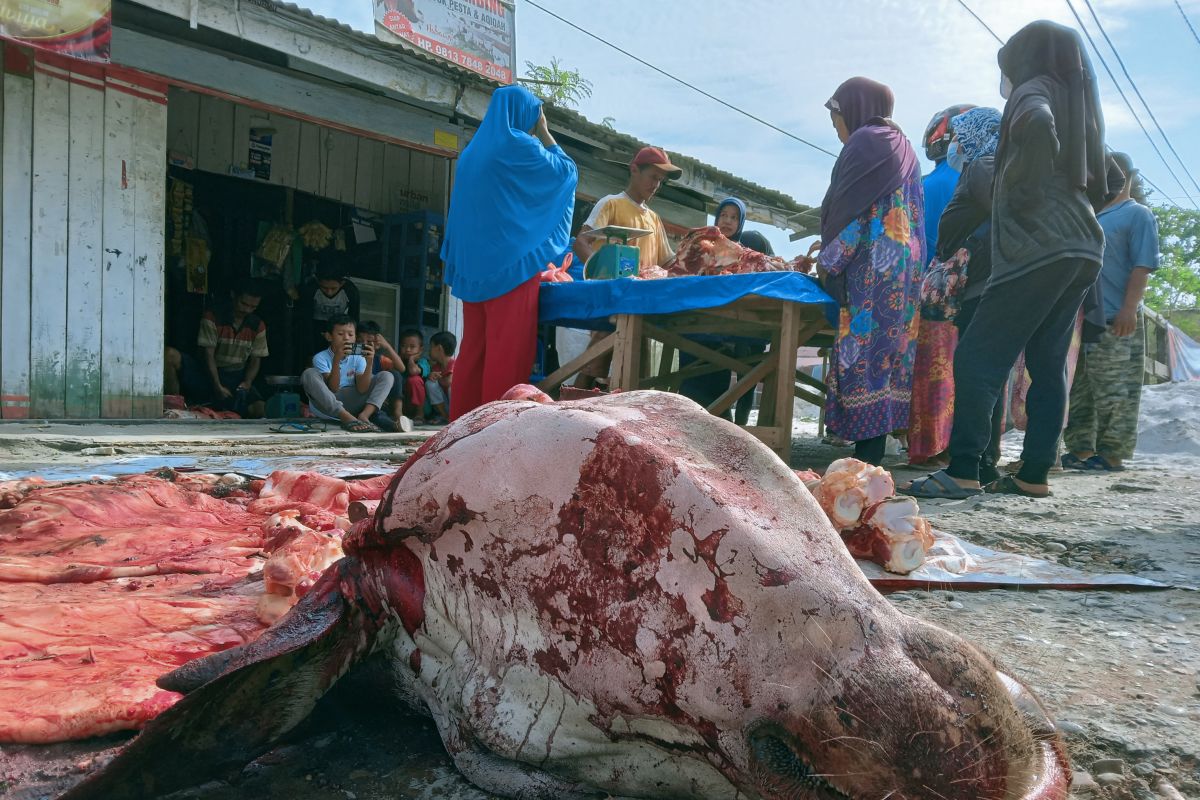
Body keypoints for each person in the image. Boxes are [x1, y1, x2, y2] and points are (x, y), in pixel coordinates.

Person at [905, 20, 1108, 499]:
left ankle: (963, 471)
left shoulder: (1034, 91)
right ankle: (1034, 473)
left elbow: (1035, 126)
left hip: (1038, 245)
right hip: (1082, 244)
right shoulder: (1077, 100)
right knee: (1047, 360)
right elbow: (1105, 174)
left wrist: (1023, 196)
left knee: (978, 357)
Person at [441, 84, 578, 420]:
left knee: (473, 352)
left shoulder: (472, 152)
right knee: (507, 352)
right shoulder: (519, 145)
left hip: (472, 268)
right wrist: (545, 133)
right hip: (512, 265)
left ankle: (460, 430)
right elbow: (566, 173)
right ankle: (494, 430)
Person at [815, 77, 926, 467]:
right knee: (887, 357)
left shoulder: (866, 142)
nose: (835, 126)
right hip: (905, 270)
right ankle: (873, 459)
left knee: (862, 353)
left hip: (872, 270)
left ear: (855, 108)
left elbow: (853, 216)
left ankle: (863, 466)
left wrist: (826, 263)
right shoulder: (904, 147)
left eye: (837, 116)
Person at [1063, 152, 1158, 472]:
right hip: (1085, 320)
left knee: (1116, 391)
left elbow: (1143, 266)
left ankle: (1112, 454)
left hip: (1118, 317)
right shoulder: (1093, 214)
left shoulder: (1137, 214)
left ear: (1125, 176)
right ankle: (1081, 450)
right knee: (1081, 390)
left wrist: (1130, 310)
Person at [932, 106, 1006, 483]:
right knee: (986, 373)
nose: (955, 145)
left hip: (982, 284)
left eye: (960, 137)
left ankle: (965, 469)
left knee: (974, 371)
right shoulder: (992, 166)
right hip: (982, 283)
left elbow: (1004, 215)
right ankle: (983, 464)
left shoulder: (985, 167)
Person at [571, 146, 682, 390]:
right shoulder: (611, 204)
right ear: (634, 170)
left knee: (637, 375)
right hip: (611, 303)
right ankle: (572, 401)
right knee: (596, 364)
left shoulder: (654, 219)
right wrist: (606, 275)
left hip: (643, 306)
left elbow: (667, 262)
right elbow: (581, 242)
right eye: (653, 177)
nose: (656, 185)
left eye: (661, 181)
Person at [907, 104, 975, 466]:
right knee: (970, 372)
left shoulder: (927, 185)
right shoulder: (991, 178)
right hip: (979, 292)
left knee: (934, 372)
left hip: (936, 293)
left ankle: (928, 450)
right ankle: (965, 449)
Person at [680, 196, 773, 423]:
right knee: (693, 370)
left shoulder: (747, 254)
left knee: (732, 372)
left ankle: (729, 420)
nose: (727, 221)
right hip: (697, 320)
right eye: (723, 215)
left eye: (734, 217)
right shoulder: (701, 246)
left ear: (740, 223)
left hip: (734, 325)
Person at [165, 281, 270, 418]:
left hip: (236, 377)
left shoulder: (257, 325)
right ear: (234, 296)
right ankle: (173, 407)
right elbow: (208, 355)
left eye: (253, 307)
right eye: (243, 304)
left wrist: (248, 382)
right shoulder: (213, 317)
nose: (247, 310)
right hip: (205, 374)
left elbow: (256, 359)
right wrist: (217, 385)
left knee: (260, 409)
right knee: (169, 355)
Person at [301, 314, 395, 433]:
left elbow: (362, 389)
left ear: (355, 337)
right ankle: (345, 417)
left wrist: (369, 362)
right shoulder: (320, 358)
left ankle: (364, 415)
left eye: (351, 334)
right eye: (340, 334)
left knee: (387, 376)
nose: (346, 338)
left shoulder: (358, 357)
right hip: (329, 405)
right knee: (309, 373)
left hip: (353, 402)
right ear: (329, 337)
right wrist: (336, 360)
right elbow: (334, 388)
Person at [298, 253, 361, 357]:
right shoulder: (311, 290)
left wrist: (353, 348)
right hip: (315, 327)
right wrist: (309, 355)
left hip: (340, 328)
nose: (329, 292)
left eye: (333, 288)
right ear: (318, 281)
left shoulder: (351, 291)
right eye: (324, 288)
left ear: (342, 283)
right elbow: (306, 321)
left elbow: (355, 319)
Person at [356, 320, 414, 432]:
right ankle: (395, 426)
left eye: (369, 342)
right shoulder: (353, 359)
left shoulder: (379, 359)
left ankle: (398, 413)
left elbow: (402, 368)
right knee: (377, 416)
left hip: (378, 402)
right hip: (363, 401)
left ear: (376, 344)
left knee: (395, 374)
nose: (364, 345)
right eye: (359, 341)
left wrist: (387, 346)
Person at [426, 331, 457, 424]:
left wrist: (438, 378)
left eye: (431, 347)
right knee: (430, 384)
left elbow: (449, 382)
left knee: (452, 388)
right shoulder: (436, 367)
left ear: (439, 348)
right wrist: (430, 376)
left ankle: (454, 417)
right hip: (445, 406)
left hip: (456, 406)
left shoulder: (453, 363)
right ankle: (445, 416)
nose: (429, 351)